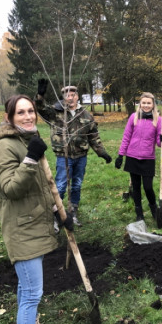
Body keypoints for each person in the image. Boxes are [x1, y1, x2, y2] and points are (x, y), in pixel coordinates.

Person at [0, 94, 73, 324]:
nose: (28, 116)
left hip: (33, 222)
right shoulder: (5, 146)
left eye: (31, 111)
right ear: (8, 118)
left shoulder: (27, 139)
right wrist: (31, 158)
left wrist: (59, 213)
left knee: (28, 289)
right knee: (33, 293)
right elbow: (11, 189)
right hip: (21, 227)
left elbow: (43, 187)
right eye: (20, 112)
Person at [34, 79, 112, 227]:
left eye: (73, 94)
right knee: (61, 186)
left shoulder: (86, 115)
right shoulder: (56, 112)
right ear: (63, 97)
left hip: (81, 157)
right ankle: (56, 215)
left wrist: (102, 153)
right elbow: (41, 108)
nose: (70, 97)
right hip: (63, 157)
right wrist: (40, 95)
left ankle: (72, 212)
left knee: (76, 185)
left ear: (77, 96)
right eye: (67, 94)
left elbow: (93, 136)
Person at [115, 92, 162, 221]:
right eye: (143, 103)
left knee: (148, 187)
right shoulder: (134, 117)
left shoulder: (158, 119)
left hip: (148, 158)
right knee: (136, 187)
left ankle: (154, 210)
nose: (146, 105)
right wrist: (121, 155)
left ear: (153, 104)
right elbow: (126, 137)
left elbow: (159, 142)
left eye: (148, 103)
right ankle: (139, 214)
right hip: (132, 157)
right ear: (140, 104)